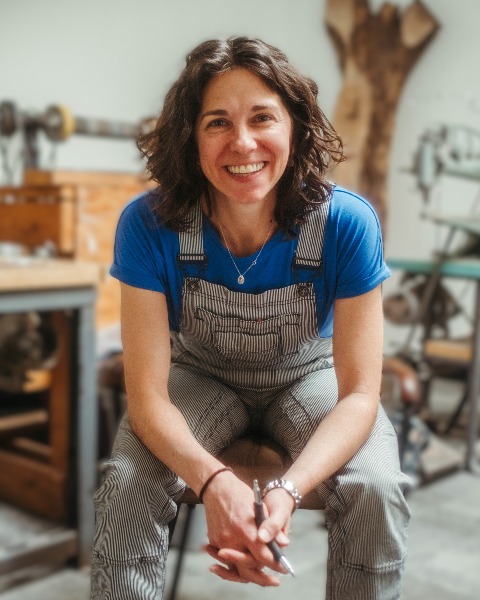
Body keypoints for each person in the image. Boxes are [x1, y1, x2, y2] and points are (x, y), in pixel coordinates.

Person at [90, 36, 411, 600]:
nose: (242, 143)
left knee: (375, 485)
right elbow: (147, 397)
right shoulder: (148, 224)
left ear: (295, 128)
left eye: (262, 117)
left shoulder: (346, 223)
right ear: (190, 138)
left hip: (308, 379)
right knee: (127, 482)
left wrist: (286, 490)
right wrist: (215, 481)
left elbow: (360, 394)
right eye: (217, 122)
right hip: (199, 378)